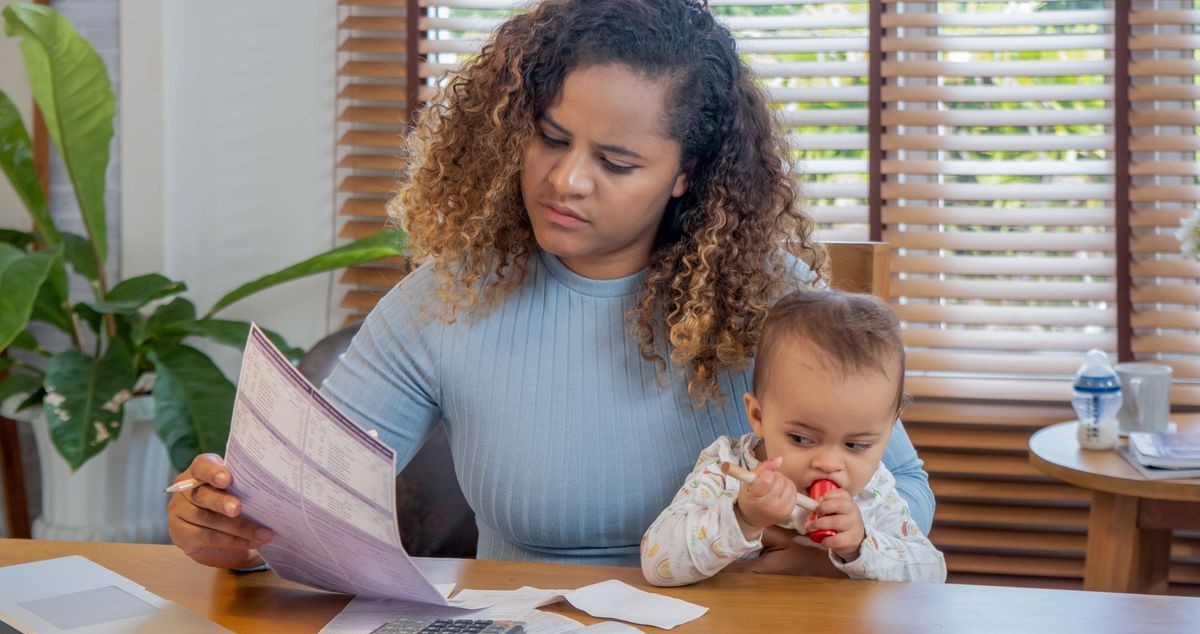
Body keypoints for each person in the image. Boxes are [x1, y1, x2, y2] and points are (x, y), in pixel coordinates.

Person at [166, 0, 934, 572]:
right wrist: (228, 526)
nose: (567, 180)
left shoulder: (771, 299)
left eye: (617, 163)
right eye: (551, 138)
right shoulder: (446, 298)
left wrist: (817, 544)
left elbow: (903, 495)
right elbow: (299, 502)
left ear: (685, 175)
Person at [641, 289, 946, 585]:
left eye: (855, 445)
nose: (828, 464)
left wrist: (860, 545)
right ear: (758, 416)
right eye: (801, 438)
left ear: (890, 430)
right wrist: (743, 517)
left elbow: (932, 574)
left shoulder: (874, 491)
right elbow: (658, 565)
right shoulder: (726, 470)